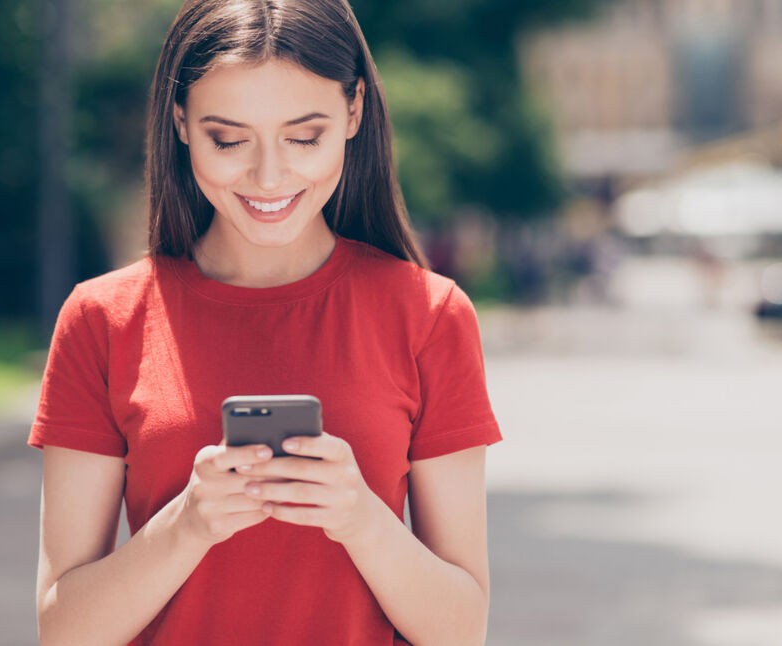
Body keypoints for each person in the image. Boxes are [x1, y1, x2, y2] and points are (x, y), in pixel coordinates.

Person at [28, 1, 502, 644]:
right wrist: (188, 524)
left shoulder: (429, 315)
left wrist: (358, 516)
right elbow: (63, 632)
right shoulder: (102, 320)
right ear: (182, 123)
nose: (270, 176)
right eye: (228, 139)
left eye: (305, 137)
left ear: (355, 111)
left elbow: (461, 631)